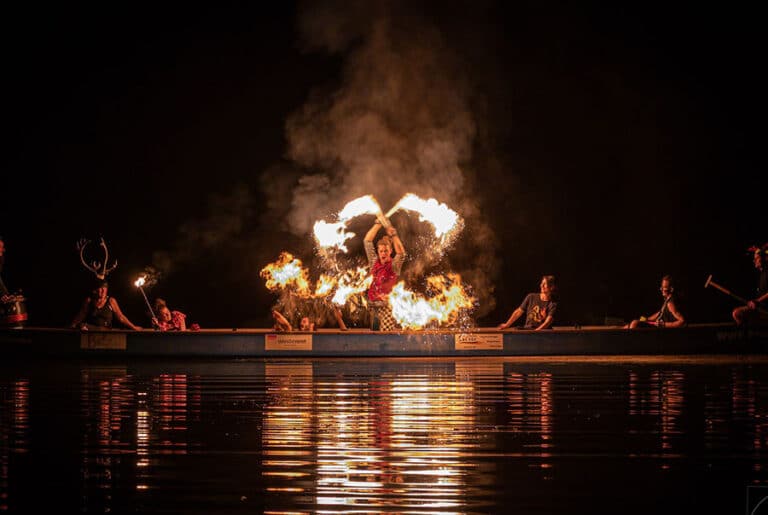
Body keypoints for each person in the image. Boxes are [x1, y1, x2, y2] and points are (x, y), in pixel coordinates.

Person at [364, 220, 406, 331]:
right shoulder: (374, 262)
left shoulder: (394, 265)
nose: (383, 253)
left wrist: (394, 235)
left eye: (386, 251)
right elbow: (367, 241)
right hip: (373, 305)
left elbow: (401, 253)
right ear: (378, 251)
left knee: (385, 336)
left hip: (387, 306)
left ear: (391, 251)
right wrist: (377, 225)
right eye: (381, 251)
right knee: (373, 336)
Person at [70, 279, 141, 330]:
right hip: (90, 330)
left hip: (106, 330)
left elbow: (121, 317)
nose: (103, 290)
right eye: (100, 288)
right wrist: (72, 325)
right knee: (81, 326)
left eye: (105, 288)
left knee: (86, 327)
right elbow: (81, 315)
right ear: (94, 290)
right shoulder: (89, 301)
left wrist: (133, 327)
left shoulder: (111, 301)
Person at [732, 243, 768, 327]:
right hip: (759, 308)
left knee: (737, 313)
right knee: (737, 313)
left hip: (764, 309)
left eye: (756, 258)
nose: (754, 260)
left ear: (763, 259)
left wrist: (757, 301)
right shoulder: (762, 273)